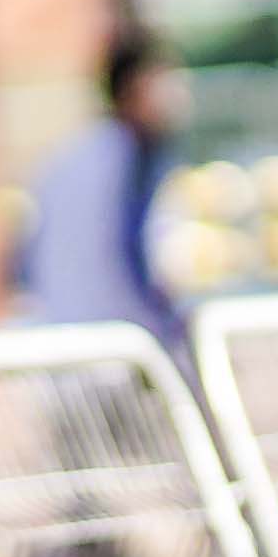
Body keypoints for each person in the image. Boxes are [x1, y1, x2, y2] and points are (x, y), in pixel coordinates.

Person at [13, 25, 196, 361]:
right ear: (135, 88)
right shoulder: (136, 160)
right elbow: (149, 259)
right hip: (127, 355)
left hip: (67, 356)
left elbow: (20, 263)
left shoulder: (68, 156)